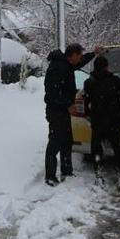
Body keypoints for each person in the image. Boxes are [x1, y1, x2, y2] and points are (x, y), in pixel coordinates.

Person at [43, 43, 101, 187]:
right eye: (79, 55)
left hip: (62, 110)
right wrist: (67, 105)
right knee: (55, 142)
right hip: (56, 111)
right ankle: (50, 176)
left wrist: (93, 54)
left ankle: (66, 171)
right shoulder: (58, 68)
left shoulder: (67, 64)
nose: (80, 58)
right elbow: (52, 93)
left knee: (67, 141)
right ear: (73, 55)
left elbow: (80, 62)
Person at [83, 55, 120, 190]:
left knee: (96, 147)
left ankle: (99, 173)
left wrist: (88, 114)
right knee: (118, 148)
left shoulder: (88, 82)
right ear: (106, 67)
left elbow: (87, 100)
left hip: (97, 120)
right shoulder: (114, 80)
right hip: (113, 120)